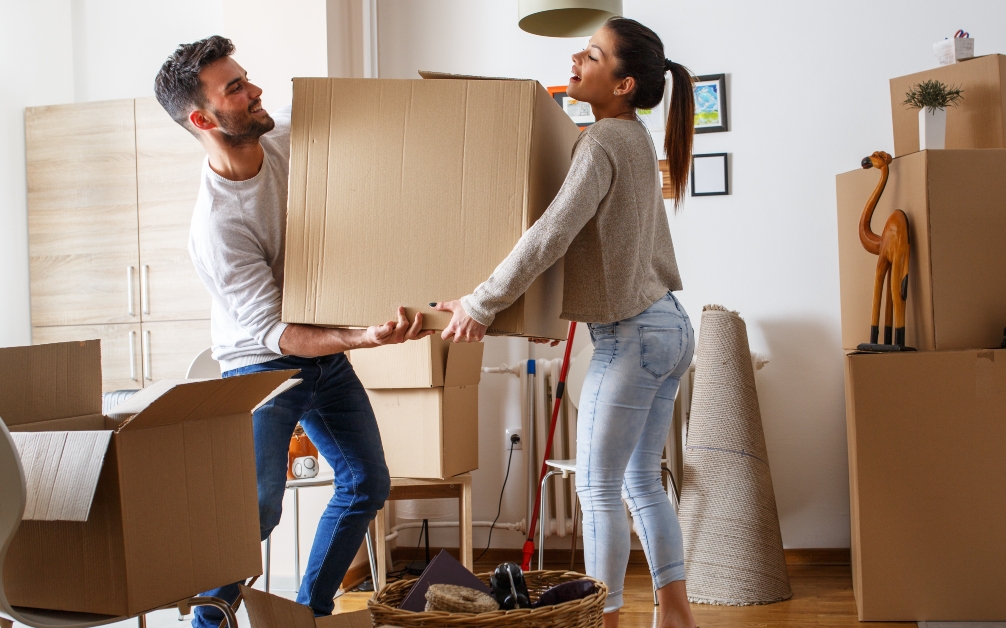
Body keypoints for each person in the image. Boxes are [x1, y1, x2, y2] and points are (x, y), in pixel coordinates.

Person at [154, 36, 428, 626]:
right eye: (235, 88)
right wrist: (362, 337)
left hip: (321, 354)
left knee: (366, 482)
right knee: (256, 509)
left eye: (246, 78)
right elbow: (278, 335)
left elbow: (358, 110)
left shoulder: (280, 135)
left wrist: (434, 104)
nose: (255, 92)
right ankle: (209, 623)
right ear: (204, 118)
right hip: (261, 366)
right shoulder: (218, 227)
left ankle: (309, 613)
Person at [434, 17, 698, 628]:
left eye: (594, 55)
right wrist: (549, 312)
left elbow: (551, 234)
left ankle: (603, 621)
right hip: (667, 328)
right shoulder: (631, 138)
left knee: (599, 488)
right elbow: (600, 247)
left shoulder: (603, 140)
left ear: (624, 82)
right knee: (641, 481)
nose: (577, 59)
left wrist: (480, 303)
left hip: (631, 337)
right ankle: (677, 614)